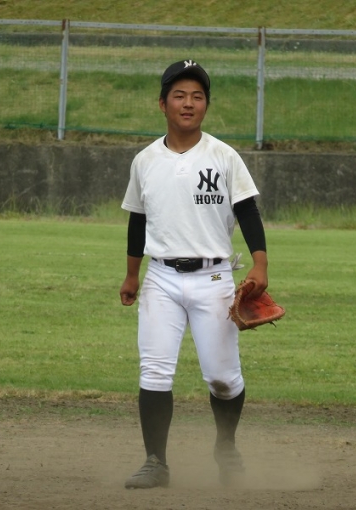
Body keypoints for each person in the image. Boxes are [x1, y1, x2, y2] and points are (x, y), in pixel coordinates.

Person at [119, 59, 269, 489]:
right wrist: (132, 275)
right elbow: (137, 220)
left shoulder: (223, 156)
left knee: (224, 378)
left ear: (206, 105)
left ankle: (226, 446)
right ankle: (155, 462)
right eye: (179, 95)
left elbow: (248, 212)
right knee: (154, 371)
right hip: (161, 278)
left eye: (198, 96)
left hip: (214, 278)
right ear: (162, 104)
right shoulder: (145, 160)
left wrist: (260, 264)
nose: (188, 103)